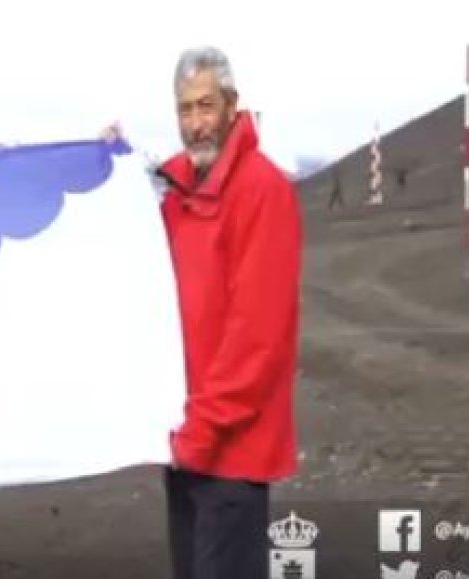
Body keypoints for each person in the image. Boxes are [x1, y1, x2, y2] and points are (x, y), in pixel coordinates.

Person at [106, 46, 302, 578]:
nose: (196, 124)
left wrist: (201, 432)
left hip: (230, 452)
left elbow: (257, 339)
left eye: (206, 106)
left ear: (233, 105)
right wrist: (108, 170)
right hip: (188, 442)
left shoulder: (263, 192)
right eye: (185, 110)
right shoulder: (181, 197)